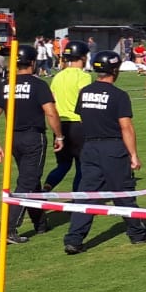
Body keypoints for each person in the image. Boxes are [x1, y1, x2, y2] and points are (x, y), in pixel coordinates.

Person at [64, 50, 146, 253]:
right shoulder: (118, 95)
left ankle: (74, 239)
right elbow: (126, 127)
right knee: (123, 193)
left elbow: (83, 117)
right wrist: (133, 154)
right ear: (114, 70)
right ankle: (137, 233)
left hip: (90, 147)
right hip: (112, 148)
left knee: (86, 195)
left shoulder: (85, 92)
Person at [0, 45, 64, 243]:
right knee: (27, 182)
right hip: (33, 138)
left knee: (31, 180)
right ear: (32, 62)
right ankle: (8, 229)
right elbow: (51, 112)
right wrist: (59, 136)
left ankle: (40, 223)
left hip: (12, 139)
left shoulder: (5, 84)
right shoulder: (39, 85)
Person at [43, 40, 92, 193]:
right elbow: (84, 101)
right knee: (81, 165)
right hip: (78, 125)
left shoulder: (58, 76)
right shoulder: (84, 77)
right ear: (83, 57)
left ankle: (46, 188)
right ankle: (77, 199)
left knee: (63, 164)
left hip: (59, 125)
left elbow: (52, 100)